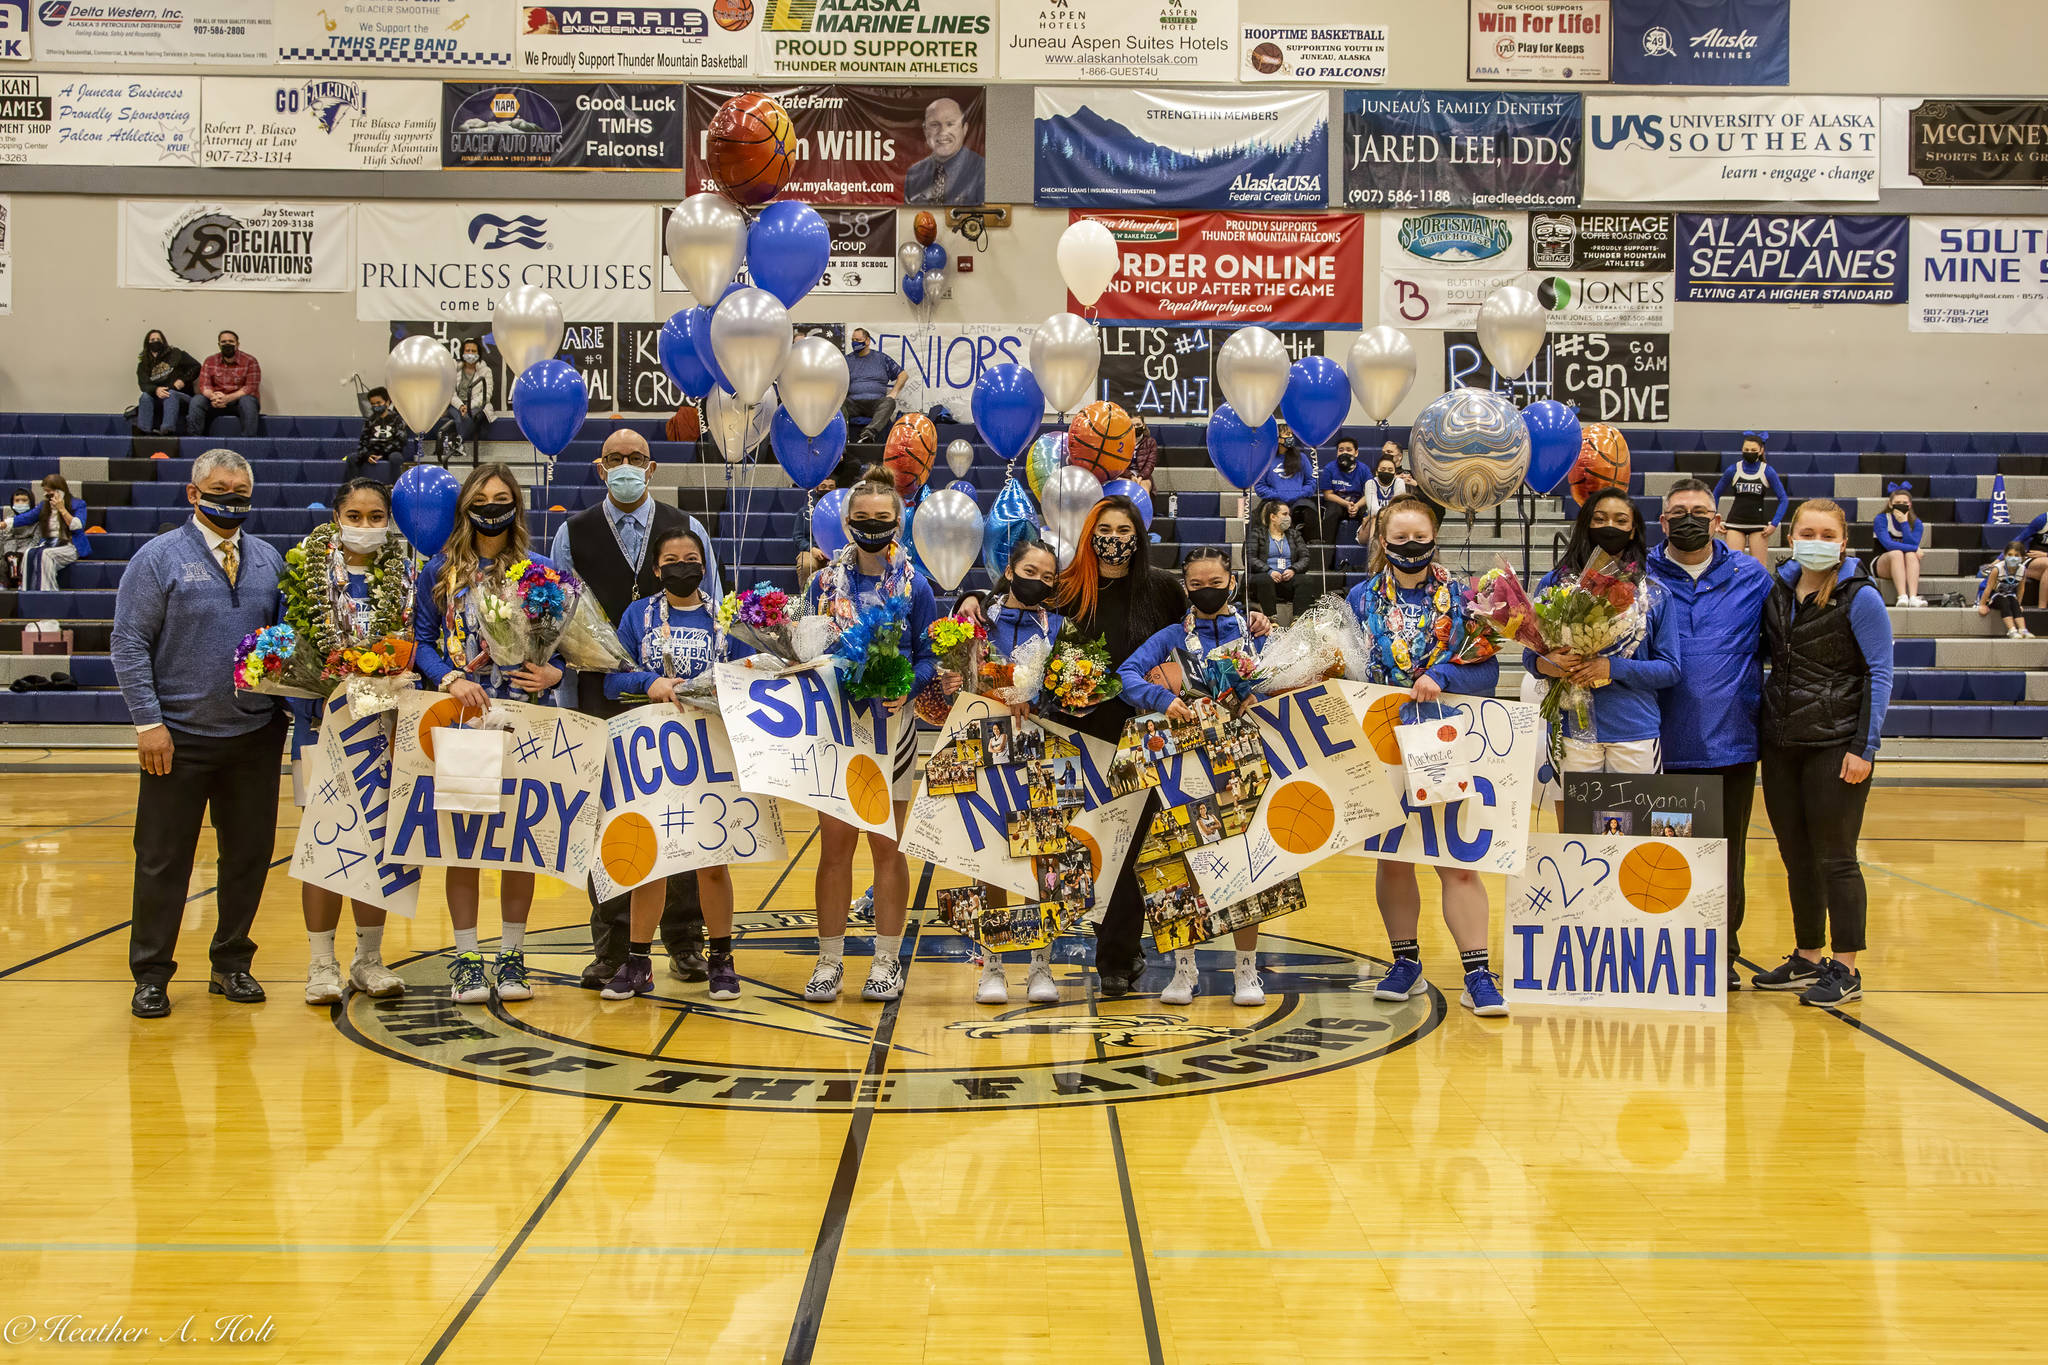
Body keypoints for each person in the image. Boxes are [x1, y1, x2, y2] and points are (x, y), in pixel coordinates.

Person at [110, 449, 287, 1019]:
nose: (230, 498)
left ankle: (232, 962)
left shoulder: (269, 560)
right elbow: (128, 642)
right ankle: (152, 973)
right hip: (176, 740)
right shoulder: (157, 559)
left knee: (247, 857)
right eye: (218, 488)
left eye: (240, 489)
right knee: (163, 860)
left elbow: (290, 644)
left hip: (255, 737)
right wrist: (148, 723)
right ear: (193, 494)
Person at [548, 429, 722, 988]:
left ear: (651, 466)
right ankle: (613, 946)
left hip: (684, 707)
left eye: (636, 458)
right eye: (616, 458)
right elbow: (555, 614)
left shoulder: (687, 528)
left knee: (685, 819)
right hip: (602, 699)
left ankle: (686, 940)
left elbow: (715, 608)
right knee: (614, 828)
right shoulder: (571, 534)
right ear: (602, 467)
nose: (626, 465)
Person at [1344, 495, 1508, 1018]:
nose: (1410, 547)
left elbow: (1487, 673)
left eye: (1420, 538)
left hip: (1447, 743)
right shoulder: (1359, 600)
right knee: (1394, 860)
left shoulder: (1465, 600)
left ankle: (1478, 973)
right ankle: (1405, 963)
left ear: (1435, 536)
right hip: (1382, 743)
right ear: (1382, 542)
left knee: (1456, 863)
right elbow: (1343, 669)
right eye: (1400, 540)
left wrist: (1444, 676)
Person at [413, 464, 564, 1005]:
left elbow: (566, 645)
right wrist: (449, 678)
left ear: (516, 506)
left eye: (502, 498)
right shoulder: (440, 570)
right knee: (466, 846)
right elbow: (421, 642)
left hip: (528, 716)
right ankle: (467, 959)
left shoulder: (540, 569)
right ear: (465, 507)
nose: (491, 506)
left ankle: (512, 956)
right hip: (463, 720)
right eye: (481, 498)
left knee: (518, 845)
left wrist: (554, 673)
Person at [799, 472, 939, 1003]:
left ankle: (886, 960)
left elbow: (928, 658)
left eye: (883, 520)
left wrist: (909, 686)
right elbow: (802, 651)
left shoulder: (916, 585)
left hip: (892, 733)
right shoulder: (821, 585)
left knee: (887, 847)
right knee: (834, 848)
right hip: (835, 731)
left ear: (898, 522)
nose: (873, 527)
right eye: (863, 519)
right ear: (846, 522)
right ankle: (829, 961)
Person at [1751, 499, 1894, 1006]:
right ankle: (1807, 955)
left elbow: (1880, 673)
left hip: (1837, 744)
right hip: (1782, 742)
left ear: (1842, 542)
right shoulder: (1779, 590)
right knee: (1796, 858)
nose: (1816, 538)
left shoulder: (1861, 596)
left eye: (1826, 532)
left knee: (1837, 858)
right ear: (1792, 536)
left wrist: (1865, 746)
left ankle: (1847, 968)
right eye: (1806, 530)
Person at [599, 527, 751, 1002]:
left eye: (691, 557)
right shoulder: (637, 614)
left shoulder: (726, 618)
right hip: (654, 750)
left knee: (712, 861)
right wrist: (650, 682)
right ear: (656, 568)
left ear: (704, 566)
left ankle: (722, 958)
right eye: (672, 558)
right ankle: (638, 961)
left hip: (714, 750)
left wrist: (722, 686)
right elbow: (610, 680)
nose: (682, 565)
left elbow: (757, 672)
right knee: (653, 862)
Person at [1117, 546, 1269, 1007]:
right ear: (1186, 588)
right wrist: (1163, 701)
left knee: (1248, 866)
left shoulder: (1255, 634)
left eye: (1215, 583)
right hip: (1184, 769)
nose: (1206, 591)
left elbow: (1288, 680)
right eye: (1196, 585)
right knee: (1180, 865)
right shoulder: (1170, 636)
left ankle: (1248, 972)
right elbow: (1125, 675)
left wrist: (1261, 696)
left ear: (1233, 583)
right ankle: (1185, 970)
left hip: (1246, 765)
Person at [1646, 478, 1773, 987]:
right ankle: (1665, 952)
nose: (1690, 518)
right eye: (1679, 511)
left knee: (1725, 859)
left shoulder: (1753, 577)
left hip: (1730, 745)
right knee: (1666, 856)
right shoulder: (1640, 576)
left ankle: (1721, 956)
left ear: (1719, 521)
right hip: (1660, 746)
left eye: (1700, 510)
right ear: (1663, 521)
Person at [287, 480, 410, 1005]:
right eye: (354, 515)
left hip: (385, 733)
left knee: (379, 846)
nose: (365, 524)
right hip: (322, 729)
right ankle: (320, 964)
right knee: (323, 844)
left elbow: (417, 645)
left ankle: (368, 959)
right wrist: (312, 706)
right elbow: (285, 649)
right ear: (336, 515)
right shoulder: (304, 572)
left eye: (375, 514)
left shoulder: (406, 577)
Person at [934, 537, 1066, 1006]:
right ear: (1009, 572)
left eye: (1049, 577)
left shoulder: (1061, 627)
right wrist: (952, 681)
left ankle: (1039, 965)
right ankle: (991, 962)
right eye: (1031, 572)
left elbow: (1068, 695)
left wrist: (1052, 697)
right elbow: (948, 690)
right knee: (989, 861)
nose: (1039, 582)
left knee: (1041, 859)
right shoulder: (973, 621)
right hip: (981, 751)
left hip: (1042, 754)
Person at [1525, 488, 1681, 787]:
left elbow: (1671, 668)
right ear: (1586, 524)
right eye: (1600, 519)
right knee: (1574, 832)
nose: (1609, 526)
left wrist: (1612, 668)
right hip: (1571, 729)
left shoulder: (1655, 593)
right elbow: (1531, 656)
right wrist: (1548, 664)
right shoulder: (1556, 582)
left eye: (1620, 520)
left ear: (1633, 531)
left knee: (1634, 831)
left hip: (1634, 732)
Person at [1713, 432, 1786, 569]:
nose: (1749, 452)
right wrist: (1714, 520)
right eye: (1746, 450)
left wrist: (1774, 524)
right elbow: (1715, 494)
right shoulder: (1733, 469)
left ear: (1761, 451)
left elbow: (1783, 499)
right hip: (1735, 523)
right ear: (1741, 450)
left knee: (1759, 568)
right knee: (1732, 566)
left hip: (1758, 525)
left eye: (1753, 450)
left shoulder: (1767, 471)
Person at [904, 95, 985, 206]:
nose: (942, 132)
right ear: (925, 130)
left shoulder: (982, 170)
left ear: (964, 129)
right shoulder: (914, 174)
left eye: (950, 124)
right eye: (934, 125)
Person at [14, 473, 90, 590]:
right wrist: (5, 523)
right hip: (48, 543)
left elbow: (78, 526)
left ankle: (49, 592)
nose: (46, 495)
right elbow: (27, 517)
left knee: (46, 554)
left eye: (49, 491)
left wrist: (62, 509)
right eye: (45, 491)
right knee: (29, 552)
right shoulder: (44, 505)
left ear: (59, 490)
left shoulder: (79, 504)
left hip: (70, 545)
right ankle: (26, 591)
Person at [1245, 497, 1310, 621]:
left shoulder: (1294, 535)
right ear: (1273, 517)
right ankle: (1271, 619)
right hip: (1264, 579)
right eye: (1284, 514)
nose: (1288, 518)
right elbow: (1249, 558)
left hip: (1287, 578)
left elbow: (1305, 558)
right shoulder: (1256, 534)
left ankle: (1298, 620)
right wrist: (1269, 571)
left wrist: (1293, 570)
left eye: (1289, 515)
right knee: (1264, 579)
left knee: (1306, 580)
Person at [186, 329, 262, 436]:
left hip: (238, 401)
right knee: (197, 400)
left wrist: (228, 398)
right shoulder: (210, 361)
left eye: (231, 342)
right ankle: (194, 439)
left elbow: (250, 387)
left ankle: (248, 441)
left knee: (248, 401)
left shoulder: (250, 361)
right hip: (215, 401)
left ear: (237, 344)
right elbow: (204, 386)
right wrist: (214, 396)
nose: (227, 344)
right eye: (223, 342)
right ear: (219, 345)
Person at [841, 329, 906, 441]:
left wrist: (893, 393)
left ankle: (868, 434)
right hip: (854, 403)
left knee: (889, 402)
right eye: (853, 340)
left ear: (867, 341)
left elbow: (903, 375)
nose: (855, 342)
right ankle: (843, 441)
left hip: (876, 404)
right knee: (839, 404)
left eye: (858, 340)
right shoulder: (846, 360)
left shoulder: (882, 358)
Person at [437, 339, 492, 465]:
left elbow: (486, 395)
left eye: (473, 351)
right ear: (462, 353)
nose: (470, 353)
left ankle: (456, 442)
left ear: (479, 354)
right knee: (457, 416)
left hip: (476, 406)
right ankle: (456, 444)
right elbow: (450, 393)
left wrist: (468, 406)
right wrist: (461, 405)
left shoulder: (486, 371)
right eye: (468, 350)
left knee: (469, 417)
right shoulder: (454, 369)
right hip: (457, 405)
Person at [134, 329, 199, 436]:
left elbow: (196, 366)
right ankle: (144, 432)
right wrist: (156, 389)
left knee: (171, 394)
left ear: (163, 341)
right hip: (158, 397)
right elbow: (143, 384)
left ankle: (167, 431)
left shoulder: (176, 354)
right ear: (147, 343)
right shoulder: (143, 364)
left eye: (158, 339)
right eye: (152, 340)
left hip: (180, 396)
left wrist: (183, 379)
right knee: (145, 396)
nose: (155, 341)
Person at [1251, 429, 1317, 532]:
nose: (1291, 437)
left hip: (1299, 500)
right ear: (1278, 439)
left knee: (1309, 512)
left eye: (1291, 434)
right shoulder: (1267, 459)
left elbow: (1311, 482)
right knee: (1258, 515)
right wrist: (1278, 495)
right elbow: (1260, 486)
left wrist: (1298, 494)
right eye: (1287, 434)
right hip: (1274, 500)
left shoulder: (1302, 458)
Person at [1872, 482, 1926, 607]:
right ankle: (1902, 596)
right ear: (1890, 504)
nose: (1901, 506)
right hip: (1882, 563)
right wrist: (1915, 548)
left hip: (1905, 565)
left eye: (1904, 504)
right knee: (1897, 553)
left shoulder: (1916, 523)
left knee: (1911, 555)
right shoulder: (1881, 519)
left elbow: (1912, 543)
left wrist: (1904, 523)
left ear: (1910, 505)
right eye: (1897, 503)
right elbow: (1888, 545)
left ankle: (1913, 597)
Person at [344, 386, 407, 486]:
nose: (376, 406)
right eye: (373, 404)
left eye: (379, 403)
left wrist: (383, 453)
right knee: (352, 458)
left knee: (396, 457)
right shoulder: (369, 421)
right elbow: (363, 442)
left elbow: (400, 441)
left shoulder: (397, 420)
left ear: (387, 402)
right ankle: (353, 487)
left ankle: (396, 486)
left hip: (390, 452)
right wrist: (367, 455)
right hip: (372, 452)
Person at [1351, 446, 1410, 551]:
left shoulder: (1399, 482)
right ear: (1377, 472)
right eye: (1383, 469)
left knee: (1389, 519)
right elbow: (1373, 510)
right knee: (1374, 519)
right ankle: (1372, 559)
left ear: (1394, 473)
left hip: (1393, 523)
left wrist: (1382, 515)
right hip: (1370, 526)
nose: (1386, 472)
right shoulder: (1371, 483)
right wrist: (1381, 515)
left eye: (1390, 470)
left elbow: (1398, 508)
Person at [1317, 436, 1369, 543]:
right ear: (1337, 453)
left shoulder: (1364, 469)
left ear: (1356, 453)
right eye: (1341, 450)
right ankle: (1326, 546)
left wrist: (1357, 506)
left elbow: (1370, 493)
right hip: (1337, 503)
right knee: (1332, 511)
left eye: (1349, 450)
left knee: (1369, 513)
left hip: (1358, 503)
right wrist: (1346, 504)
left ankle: (1368, 546)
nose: (1344, 452)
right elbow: (1328, 494)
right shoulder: (1329, 468)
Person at [1980, 541, 2036, 639]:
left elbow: (2021, 589)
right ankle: (2012, 630)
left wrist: (2018, 605)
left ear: (2022, 558)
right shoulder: (1997, 569)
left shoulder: (2022, 570)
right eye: (2009, 555)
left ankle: (2023, 630)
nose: (2012, 557)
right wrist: (1982, 604)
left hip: (2008, 594)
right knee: (2004, 601)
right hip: (1993, 595)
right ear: (2005, 556)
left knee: (2014, 602)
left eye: (2016, 555)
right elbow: (1988, 588)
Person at [1, 488, 36, 587]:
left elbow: (36, 539)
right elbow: (8, 538)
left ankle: (23, 582)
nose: (20, 503)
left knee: (26, 557)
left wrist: (22, 553)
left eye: (24, 500)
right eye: (17, 500)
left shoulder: (37, 519)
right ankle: (3, 582)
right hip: (12, 546)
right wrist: (10, 553)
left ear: (31, 502)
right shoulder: (9, 519)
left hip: (29, 547)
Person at [1127, 416, 1158, 496]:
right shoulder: (1122, 442)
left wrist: (1140, 476)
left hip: (1144, 476)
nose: (1136, 427)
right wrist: (1130, 476)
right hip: (1126, 475)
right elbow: (1118, 464)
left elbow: (1150, 464)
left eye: (1138, 424)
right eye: (1132, 425)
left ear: (1143, 425)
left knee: (1143, 491)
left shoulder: (1151, 442)